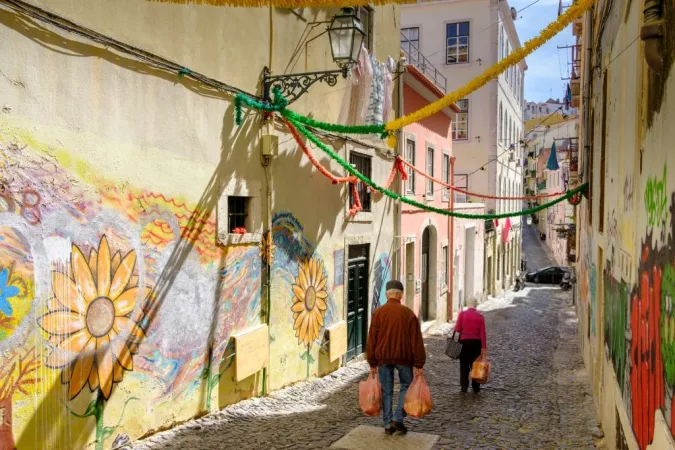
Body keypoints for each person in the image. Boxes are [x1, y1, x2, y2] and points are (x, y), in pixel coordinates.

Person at [366, 280, 426, 435]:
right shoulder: (408, 313)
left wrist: (372, 361)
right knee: (406, 385)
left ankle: (387, 425)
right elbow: (416, 340)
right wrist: (419, 364)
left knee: (387, 391)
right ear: (401, 294)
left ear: (387, 294)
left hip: (383, 358)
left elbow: (372, 339)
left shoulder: (378, 313)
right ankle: (398, 418)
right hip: (404, 358)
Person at [454, 298, 487, 393]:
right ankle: (476, 386)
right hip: (476, 344)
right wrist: (484, 348)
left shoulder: (462, 314)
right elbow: (483, 334)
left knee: (463, 365)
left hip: (464, 343)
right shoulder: (480, 316)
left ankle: (464, 386)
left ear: (468, 304)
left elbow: (458, 329)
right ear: (476, 305)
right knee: (476, 365)